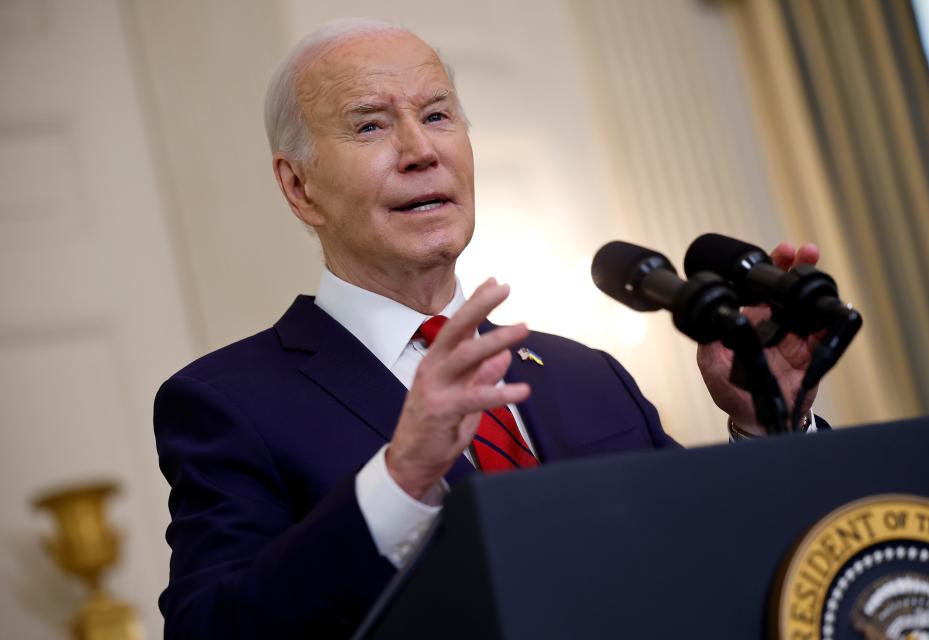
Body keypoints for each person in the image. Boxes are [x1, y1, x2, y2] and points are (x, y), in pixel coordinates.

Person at [153, 18, 823, 639]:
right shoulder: (230, 403)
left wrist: (769, 423)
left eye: (438, 115)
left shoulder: (588, 376)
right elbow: (209, 629)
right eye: (369, 126)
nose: (420, 150)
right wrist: (399, 480)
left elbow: (721, 563)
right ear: (299, 187)